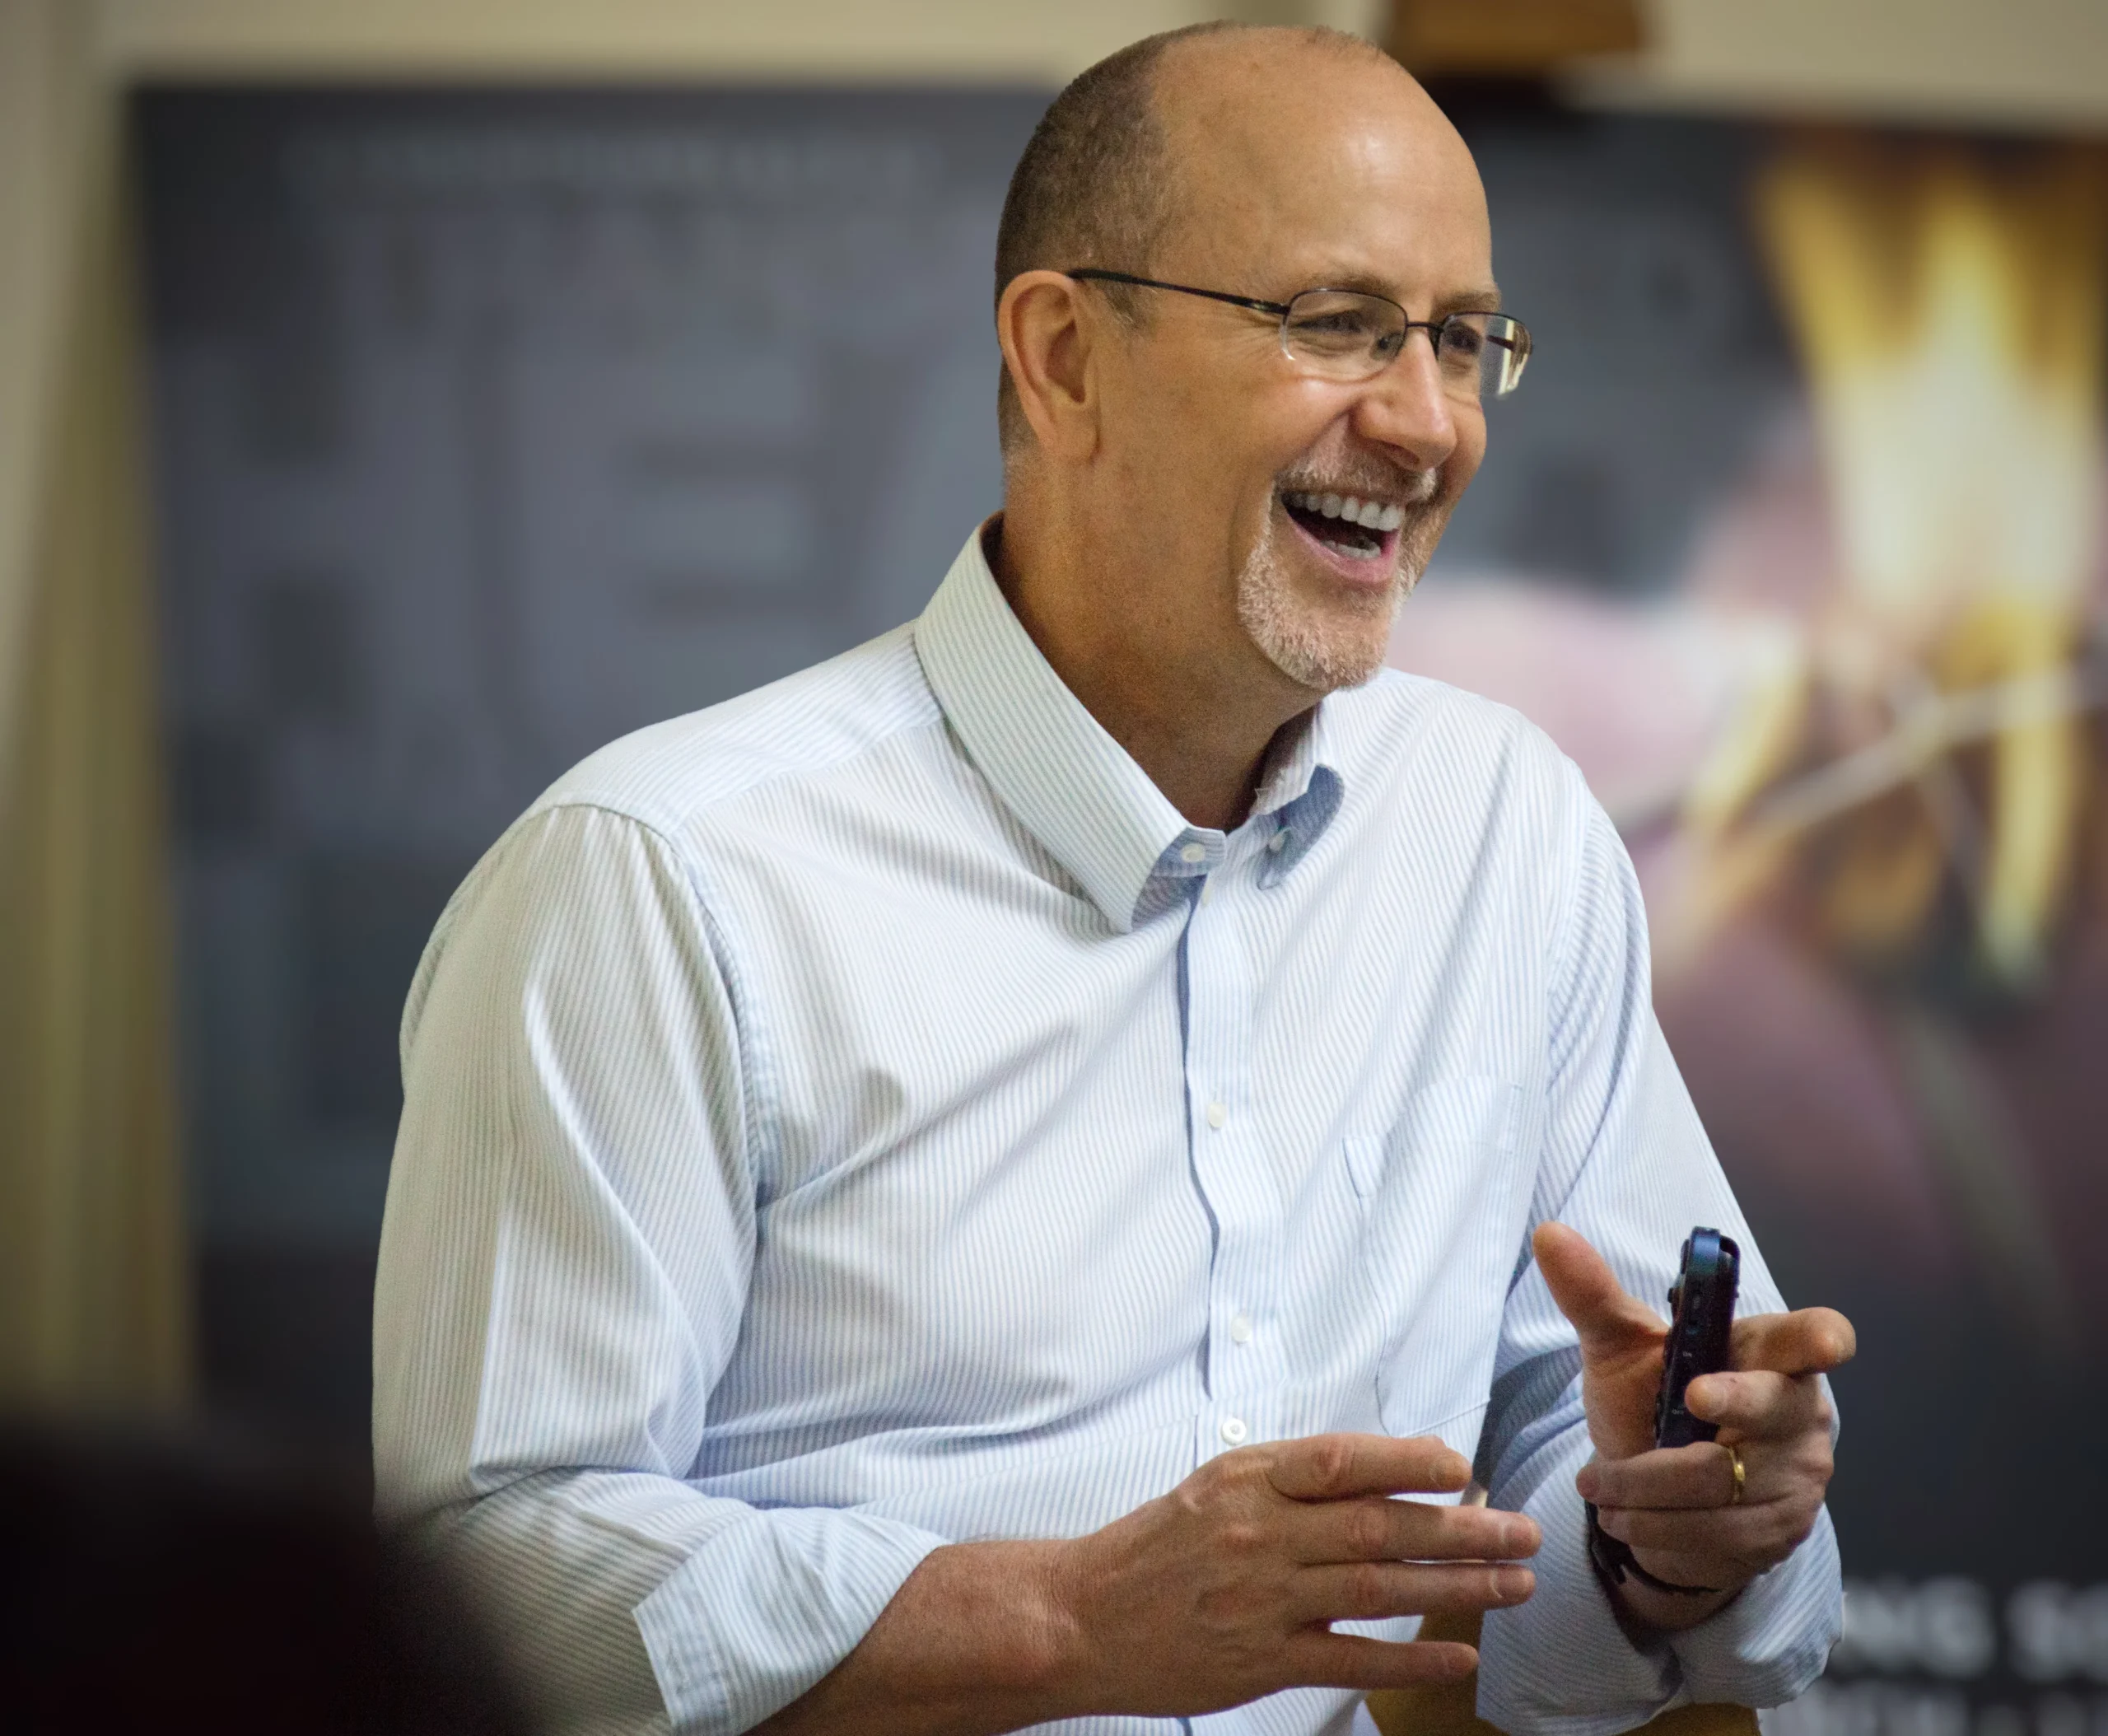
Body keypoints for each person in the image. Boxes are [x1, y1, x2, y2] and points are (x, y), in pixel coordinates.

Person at [372, 23, 1854, 1736]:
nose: (1425, 422)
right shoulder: (654, 882)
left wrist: (1671, 1539)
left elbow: (1582, 1495)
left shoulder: (1505, 826)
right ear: (1064, 358)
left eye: (1460, 339)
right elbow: (485, 1576)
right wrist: (1060, 1624)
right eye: (1336, 322)